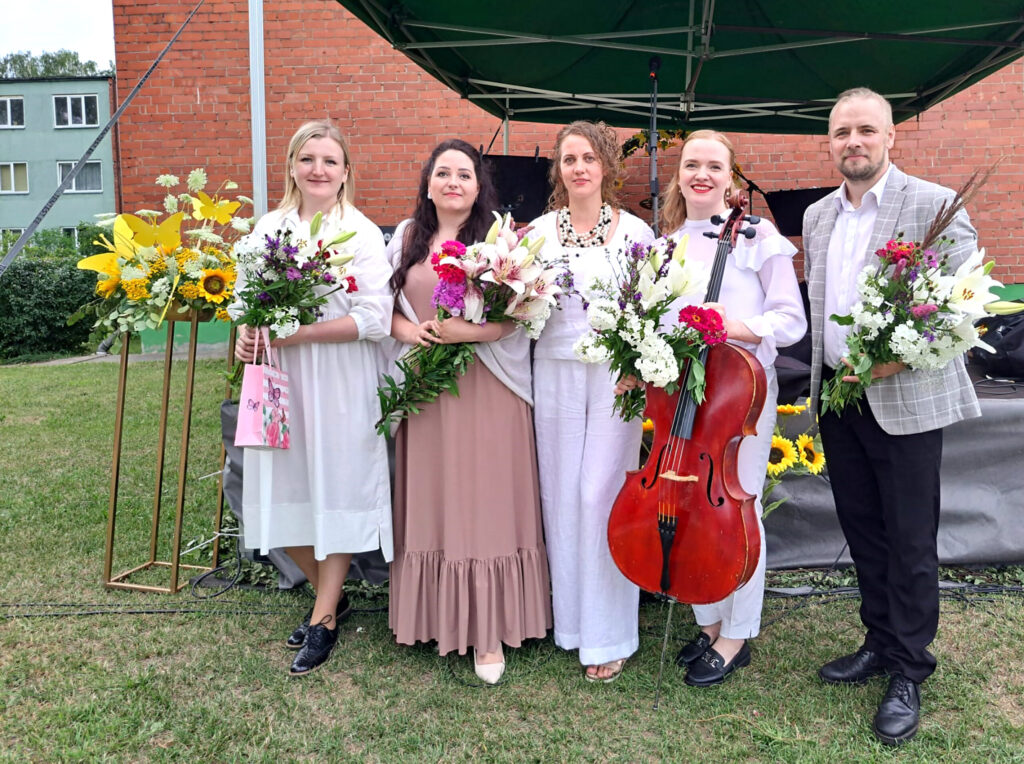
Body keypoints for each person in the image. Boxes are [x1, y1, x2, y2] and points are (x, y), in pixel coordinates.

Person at [803, 88, 980, 745]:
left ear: (890, 138)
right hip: (840, 400)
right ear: (831, 141)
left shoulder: (932, 204)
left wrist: (896, 361)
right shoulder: (819, 215)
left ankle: (910, 667)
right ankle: (879, 640)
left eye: (866, 130)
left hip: (905, 398)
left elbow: (962, 305)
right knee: (865, 529)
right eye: (842, 131)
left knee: (910, 539)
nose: (853, 141)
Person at [633, 130, 804, 687]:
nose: (701, 174)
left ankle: (737, 635)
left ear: (732, 178)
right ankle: (707, 621)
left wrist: (729, 327)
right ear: (679, 175)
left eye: (713, 166)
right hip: (682, 393)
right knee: (688, 503)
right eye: (690, 165)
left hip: (739, 395)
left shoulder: (758, 239)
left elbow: (790, 319)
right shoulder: (664, 245)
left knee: (737, 507)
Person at [385, 139, 552, 685]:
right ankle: (436, 615)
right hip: (429, 390)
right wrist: (415, 331)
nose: (453, 182)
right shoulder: (406, 241)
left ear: (479, 187)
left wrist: (471, 332)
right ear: (428, 184)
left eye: (464, 174)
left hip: (489, 386)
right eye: (443, 173)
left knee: (487, 499)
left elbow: (524, 315)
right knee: (438, 496)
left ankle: (489, 628)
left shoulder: (502, 241)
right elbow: (382, 310)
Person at [232, 120, 394, 676]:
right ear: (292, 167)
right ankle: (336, 597)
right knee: (285, 490)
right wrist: (247, 333)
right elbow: (246, 300)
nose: (318, 170)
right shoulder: (267, 229)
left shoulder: (364, 232)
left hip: (341, 377)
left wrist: (295, 331)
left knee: (340, 483)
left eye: (329, 160)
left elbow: (374, 318)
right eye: (308, 159)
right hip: (281, 380)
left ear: (346, 171)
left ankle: (324, 615)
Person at [530, 121, 655, 683]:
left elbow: (654, 307)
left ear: (606, 166)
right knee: (559, 495)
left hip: (615, 378)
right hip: (552, 372)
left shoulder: (635, 232)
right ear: (558, 170)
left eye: (588, 158)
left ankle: (610, 633)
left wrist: (637, 367)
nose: (578, 167)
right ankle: (572, 625)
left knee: (600, 495)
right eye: (568, 159)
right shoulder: (536, 232)